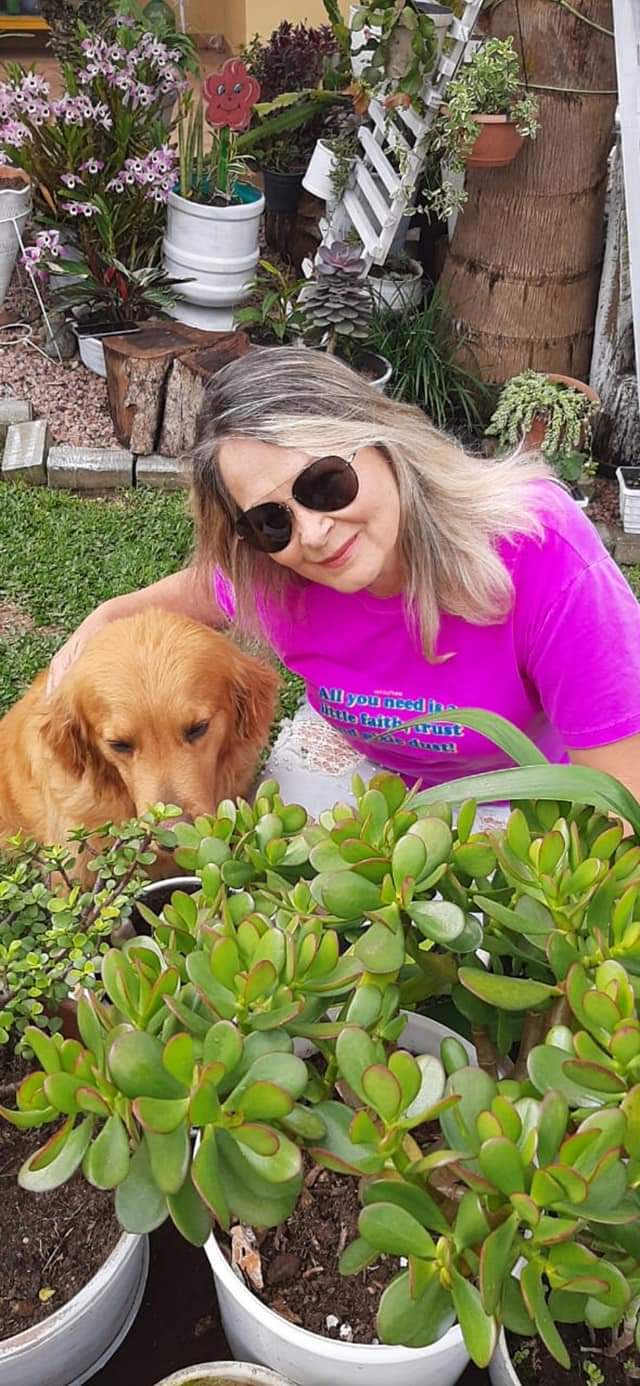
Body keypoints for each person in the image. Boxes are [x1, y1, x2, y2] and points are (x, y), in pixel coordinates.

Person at [48, 347, 640, 812]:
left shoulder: (540, 552)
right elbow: (200, 589)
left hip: (520, 805)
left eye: (325, 484)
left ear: (384, 442)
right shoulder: (272, 569)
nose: (313, 533)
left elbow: (618, 803)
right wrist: (105, 616)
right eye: (270, 519)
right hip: (361, 776)